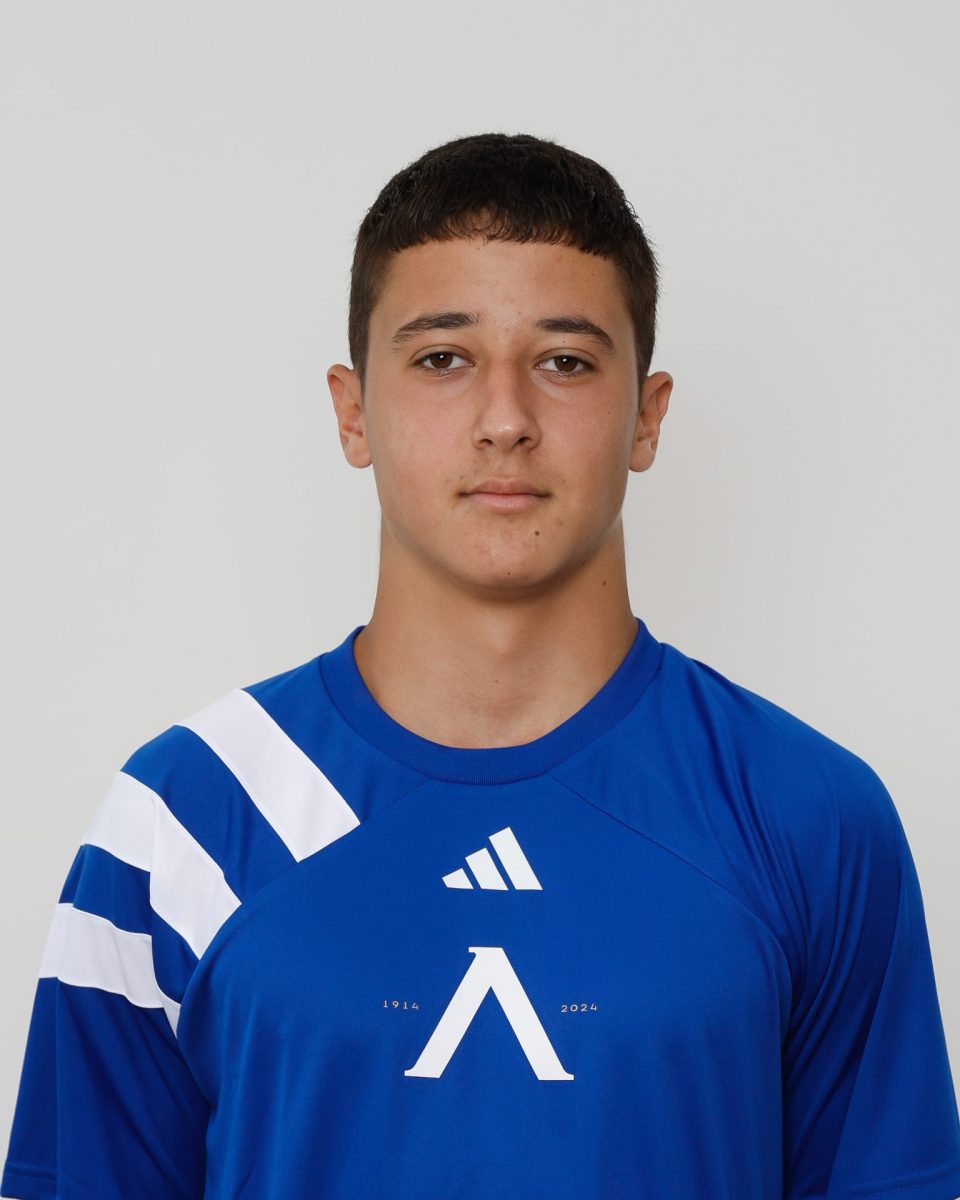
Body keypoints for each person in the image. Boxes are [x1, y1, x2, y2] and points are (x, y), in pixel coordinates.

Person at [2, 131, 959, 1200]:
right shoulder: (183, 820)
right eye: (442, 359)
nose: (506, 421)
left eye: (565, 362)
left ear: (647, 418)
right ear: (352, 411)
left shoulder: (808, 815)